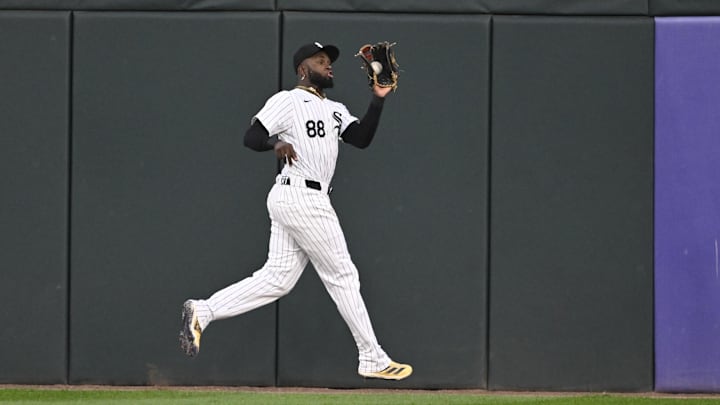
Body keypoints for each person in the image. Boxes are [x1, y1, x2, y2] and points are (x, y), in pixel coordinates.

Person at [178, 42, 412, 381]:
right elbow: (251, 136)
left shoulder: (334, 109)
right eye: (320, 61)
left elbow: (361, 138)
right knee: (343, 276)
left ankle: (203, 310)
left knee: (277, 279)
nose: (328, 65)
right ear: (303, 69)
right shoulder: (287, 100)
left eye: (329, 61)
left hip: (301, 199)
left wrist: (378, 98)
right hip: (302, 196)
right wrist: (275, 144)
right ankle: (372, 357)